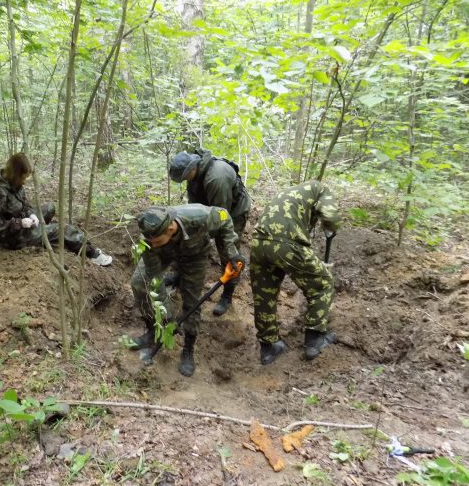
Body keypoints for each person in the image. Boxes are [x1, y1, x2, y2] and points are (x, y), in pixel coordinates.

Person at [130, 204, 246, 377]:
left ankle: (188, 348)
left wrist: (231, 251)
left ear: (170, 228)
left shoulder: (199, 216)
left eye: (156, 241)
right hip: (165, 253)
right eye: (150, 242)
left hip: (195, 256)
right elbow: (155, 279)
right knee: (140, 283)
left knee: (191, 301)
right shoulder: (150, 241)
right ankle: (154, 330)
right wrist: (168, 316)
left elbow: (225, 217)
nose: (151, 244)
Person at [250, 181, 341, 365]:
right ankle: (314, 340)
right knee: (323, 283)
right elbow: (331, 217)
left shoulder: (290, 193)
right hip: (286, 244)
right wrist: (332, 226)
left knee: (264, 296)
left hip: (258, 243)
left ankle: (269, 347)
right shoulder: (321, 189)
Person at [0, 153, 112, 266]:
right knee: (63, 229)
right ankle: (92, 253)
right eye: (23, 178)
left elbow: (25, 205)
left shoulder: (13, 184)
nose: (24, 182)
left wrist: (32, 215)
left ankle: (42, 234)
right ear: (16, 174)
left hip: (23, 226)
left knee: (49, 208)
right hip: (12, 238)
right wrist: (19, 223)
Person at [169, 149, 252, 315]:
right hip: (211, 206)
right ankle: (179, 275)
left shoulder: (216, 179)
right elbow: (194, 204)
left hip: (231, 213)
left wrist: (204, 236)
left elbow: (222, 216)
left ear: (192, 169)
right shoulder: (193, 172)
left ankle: (227, 294)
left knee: (228, 252)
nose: (185, 181)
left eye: (185, 177)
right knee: (187, 237)